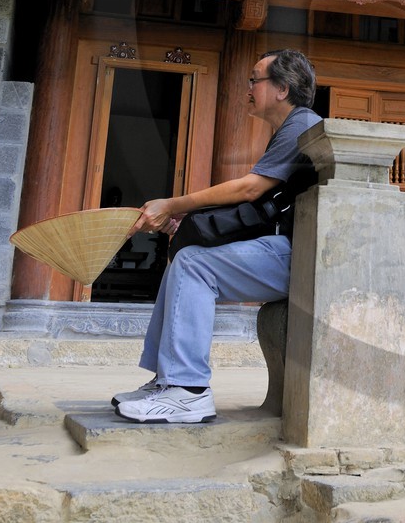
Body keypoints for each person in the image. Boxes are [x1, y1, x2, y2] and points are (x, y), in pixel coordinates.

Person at [111, 49, 322, 423]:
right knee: (186, 257)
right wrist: (191, 219)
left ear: (282, 89)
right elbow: (261, 208)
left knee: (194, 265)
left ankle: (188, 391)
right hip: (286, 247)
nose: (248, 87)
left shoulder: (301, 124)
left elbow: (248, 190)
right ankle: (168, 382)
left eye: (254, 79)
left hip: (304, 257)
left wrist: (172, 205)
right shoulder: (292, 126)